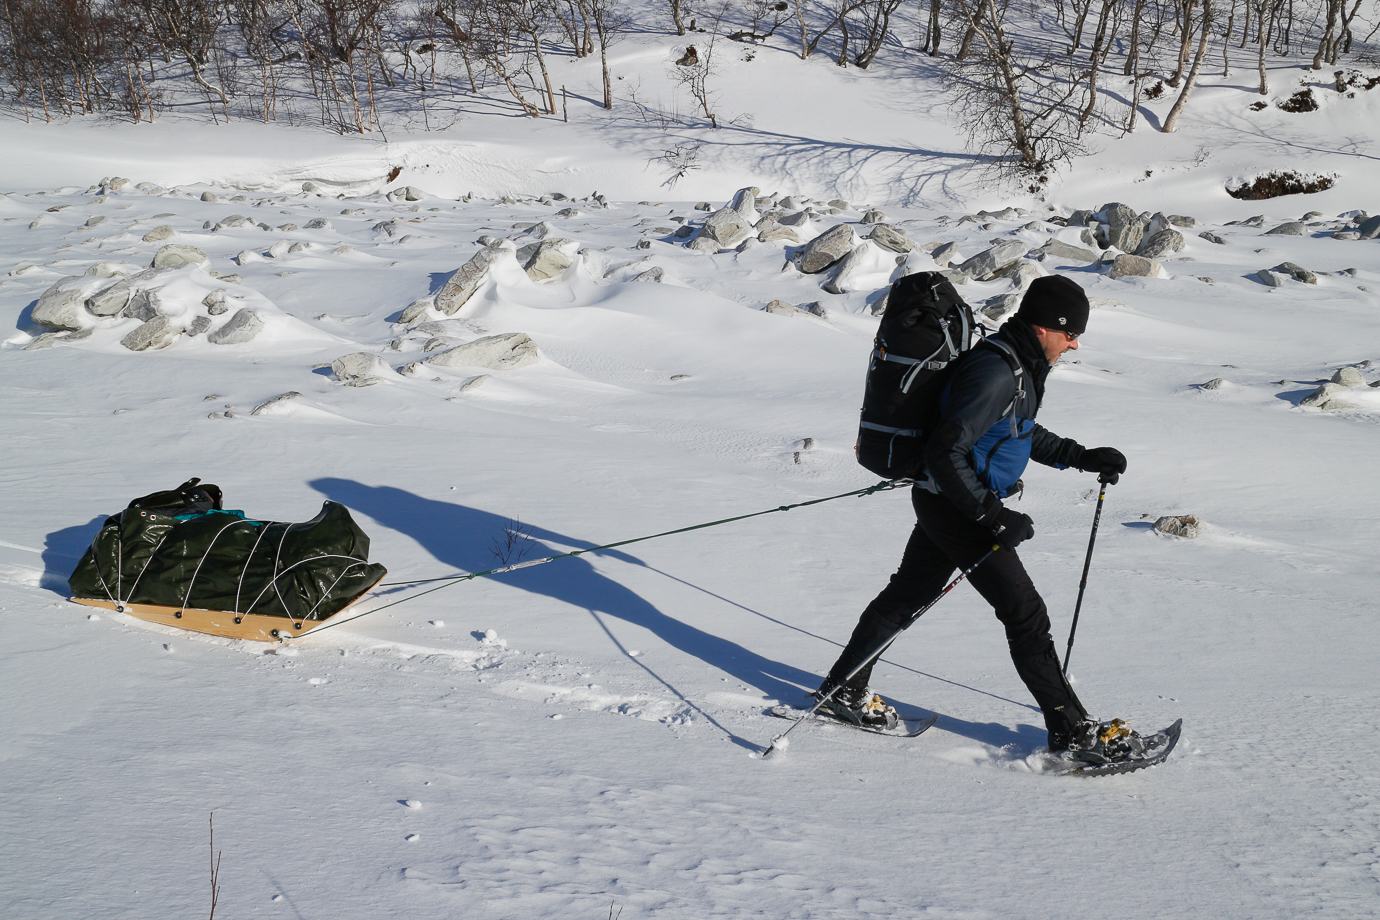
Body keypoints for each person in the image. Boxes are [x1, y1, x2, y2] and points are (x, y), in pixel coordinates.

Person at [818, 274, 1138, 760]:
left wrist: (1081, 456)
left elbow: (1017, 431)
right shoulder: (995, 371)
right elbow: (946, 451)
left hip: (948, 502)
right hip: (958, 506)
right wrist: (993, 517)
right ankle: (1071, 731)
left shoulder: (1018, 367)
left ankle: (842, 687)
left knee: (907, 594)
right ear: (1043, 327)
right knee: (1025, 614)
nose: (1074, 344)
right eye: (1071, 333)